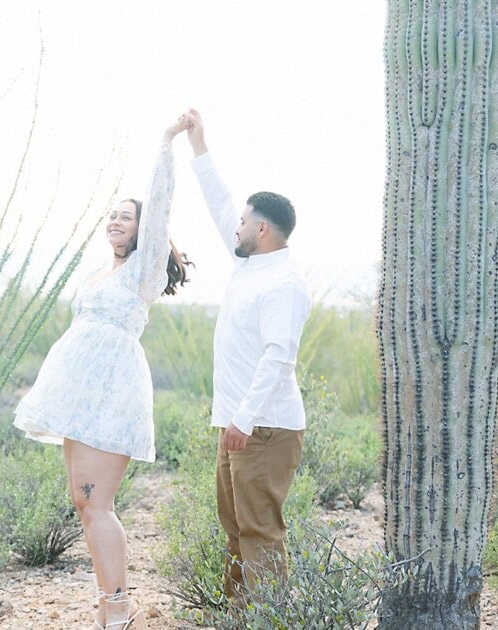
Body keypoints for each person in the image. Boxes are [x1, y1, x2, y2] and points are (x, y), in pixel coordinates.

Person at [13, 116, 192, 629]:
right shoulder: (101, 273)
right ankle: (109, 601)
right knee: (83, 501)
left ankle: (118, 609)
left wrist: (164, 144)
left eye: (126, 217)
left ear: (144, 231)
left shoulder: (144, 270)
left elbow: (159, 206)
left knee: (97, 503)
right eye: (111, 216)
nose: (116, 221)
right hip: (77, 393)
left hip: (112, 392)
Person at [182, 108, 312, 601]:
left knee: (259, 531)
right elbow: (219, 205)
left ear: (261, 230)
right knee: (235, 528)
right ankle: (237, 615)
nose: (233, 226)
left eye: (242, 222)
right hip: (238, 425)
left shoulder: (283, 283)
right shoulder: (250, 267)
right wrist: (199, 147)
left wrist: (243, 419)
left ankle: (268, 618)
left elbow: (278, 359)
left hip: (264, 427)